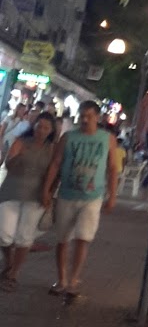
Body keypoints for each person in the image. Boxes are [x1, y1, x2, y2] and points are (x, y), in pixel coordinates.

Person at [42, 100, 119, 298]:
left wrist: (112, 195)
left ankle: (74, 279)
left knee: (83, 238)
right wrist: (47, 189)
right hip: (67, 194)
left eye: (89, 116)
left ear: (97, 117)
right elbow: (56, 163)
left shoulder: (107, 139)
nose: (84, 120)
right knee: (62, 239)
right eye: (82, 115)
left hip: (92, 196)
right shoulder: (68, 137)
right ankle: (62, 279)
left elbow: (112, 168)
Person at [0, 110, 57, 291]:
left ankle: (13, 273)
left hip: (36, 196)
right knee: (4, 234)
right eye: (39, 126)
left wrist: (49, 192)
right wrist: (18, 156)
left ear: (51, 130)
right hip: (11, 191)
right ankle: (9, 261)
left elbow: (55, 172)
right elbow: (8, 165)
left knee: (25, 237)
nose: (41, 130)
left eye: (46, 128)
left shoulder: (52, 149)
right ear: (34, 126)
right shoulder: (21, 142)